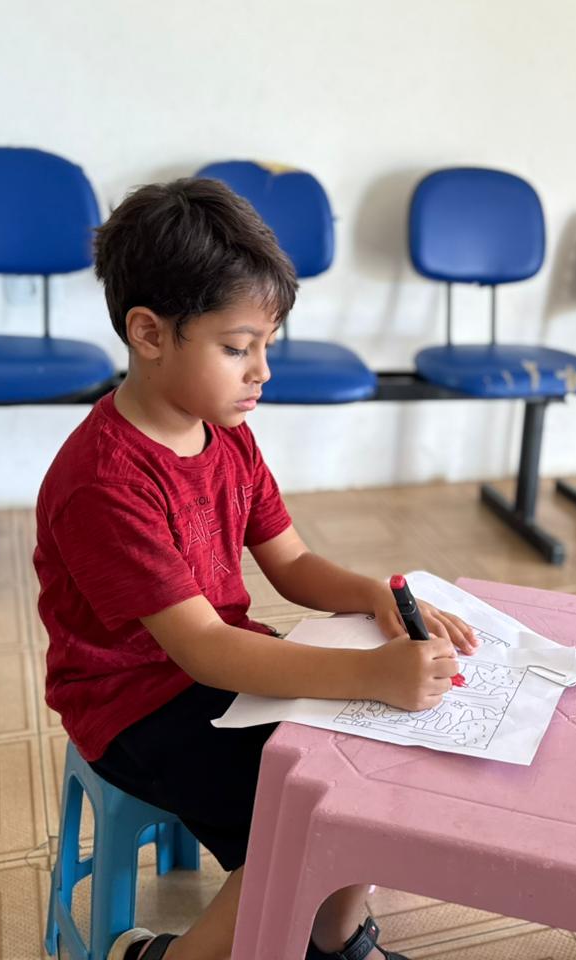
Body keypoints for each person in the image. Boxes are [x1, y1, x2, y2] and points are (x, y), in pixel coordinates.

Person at [33, 177, 478, 960]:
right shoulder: (104, 482)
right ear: (149, 333)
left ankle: (337, 941)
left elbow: (292, 560)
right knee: (300, 816)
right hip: (133, 706)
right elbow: (203, 648)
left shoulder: (225, 431)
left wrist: (375, 596)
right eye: (238, 348)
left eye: (267, 345)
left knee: (355, 772)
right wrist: (371, 674)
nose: (261, 371)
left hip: (219, 672)